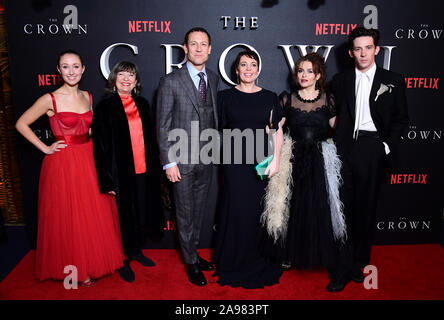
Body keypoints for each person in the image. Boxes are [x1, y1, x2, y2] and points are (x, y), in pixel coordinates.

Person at [15, 50, 125, 286]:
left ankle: (90, 262)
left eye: (75, 66)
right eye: (65, 67)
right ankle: (77, 270)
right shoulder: (50, 99)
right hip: (62, 164)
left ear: (83, 69)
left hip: (88, 159)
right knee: (69, 217)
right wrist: (44, 148)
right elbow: (21, 124)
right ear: (58, 70)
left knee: (91, 215)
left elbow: (91, 130)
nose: (71, 71)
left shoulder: (88, 96)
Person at [329, 27, 409, 292]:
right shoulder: (339, 81)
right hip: (345, 149)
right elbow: (330, 115)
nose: (363, 53)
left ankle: (358, 264)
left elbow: (400, 119)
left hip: (373, 148)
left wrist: (385, 147)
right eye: (358, 49)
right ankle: (340, 267)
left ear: (376, 49)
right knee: (342, 211)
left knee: (366, 210)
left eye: (368, 48)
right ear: (351, 53)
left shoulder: (394, 80)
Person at [261, 52, 346, 279]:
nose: (304, 75)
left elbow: (338, 128)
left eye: (309, 71)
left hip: (319, 159)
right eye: (300, 71)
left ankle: (321, 254)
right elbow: (274, 130)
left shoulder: (328, 99)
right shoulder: (287, 99)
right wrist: (271, 159)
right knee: (290, 206)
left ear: (318, 75)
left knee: (318, 206)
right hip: (293, 159)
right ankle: (287, 254)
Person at [212, 50, 284, 288]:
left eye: (253, 64)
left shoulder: (270, 97)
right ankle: (233, 259)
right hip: (233, 161)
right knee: (236, 208)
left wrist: (275, 160)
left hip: (260, 161)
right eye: (244, 64)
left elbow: (276, 131)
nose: (248, 69)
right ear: (236, 69)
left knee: (257, 210)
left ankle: (256, 257)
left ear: (258, 69)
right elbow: (215, 130)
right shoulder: (224, 97)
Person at [156, 27, 219, 286]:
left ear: (210, 49)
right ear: (185, 48)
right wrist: (168, 162)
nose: (198, 48)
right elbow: (162, 125)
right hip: (180, 160)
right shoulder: (170, 81)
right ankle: (191, 262)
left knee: (198, 211)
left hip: (206, 158)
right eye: (193, 44)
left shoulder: (213, 78)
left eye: (203, 44)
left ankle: (192, 253)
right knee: (184, 212)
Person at [92, 61, 163, 283]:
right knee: (122, 217)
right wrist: (107, 179)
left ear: (136, 81)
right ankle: (122, 258)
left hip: (144, 169)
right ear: (114, 79)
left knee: (140, 212)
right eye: (121, 74)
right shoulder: (105, 107)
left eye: (130, 75)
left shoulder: (142, 103)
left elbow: (151, 139)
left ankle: (136, 252)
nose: (126, 79)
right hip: (119, 172)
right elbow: (100, 146)